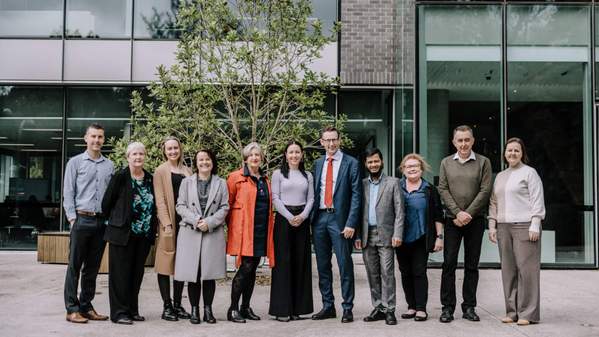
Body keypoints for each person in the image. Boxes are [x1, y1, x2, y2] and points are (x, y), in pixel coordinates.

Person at [438, 125, 492, 323]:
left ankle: (469, 307)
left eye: (467, 140)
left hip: (475, 220)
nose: (463, 144)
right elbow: (442, 189)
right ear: (454, 142)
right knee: (449, 264)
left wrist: (468, 213)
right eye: (459, 140)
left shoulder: (483, 162)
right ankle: (447, 307)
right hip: (453, 221)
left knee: (471, 265)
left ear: (473, 140)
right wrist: (458, 213)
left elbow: (485, 190)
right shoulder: (445, 163)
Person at [488, 138, 545, 326]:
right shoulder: (501, 176)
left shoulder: (530, 173)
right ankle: (511, 311)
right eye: (509, 150)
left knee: (527, 271)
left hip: (525, 226)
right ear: (505, 153)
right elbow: (493, 202)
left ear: (522, 153)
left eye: (516, 150)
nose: (512, 153)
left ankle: (527, 313)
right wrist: (492, 225)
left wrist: (535, 223)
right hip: (504, 227)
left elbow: (537, 199)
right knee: (508, 271)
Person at [63, 123, 114, 323]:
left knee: (92, 268)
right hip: (81, 219)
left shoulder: (109, 166)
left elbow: (110, 196)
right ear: (86, 138)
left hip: (101, 222)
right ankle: (71, 308)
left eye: (100, 137)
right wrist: (72, 218)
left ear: (103, 139)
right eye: (93, 136)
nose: (97, 140)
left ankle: (86, 306)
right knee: (74, 266)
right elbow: (68, 192)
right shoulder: (75, 163)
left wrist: (108, 220)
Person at [311, 126, 362, 323]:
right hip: (320, 220)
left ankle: (347, 307)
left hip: (340, 221)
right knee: (323, 266)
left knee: (344, 265)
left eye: (334, 140)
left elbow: (357, 195)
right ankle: (328, 306)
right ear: (321, 142)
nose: (331, 144)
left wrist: (351, 223)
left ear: (339, 140)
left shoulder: (352, 163)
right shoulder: (317, 164)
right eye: (327, 140)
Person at [102, 142, 157, 325]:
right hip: (122, 234)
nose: (138, 157)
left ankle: (132, 310)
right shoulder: (120, 177)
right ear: (128, 157)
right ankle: (119, 313)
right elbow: (106, 204)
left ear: (145, 156)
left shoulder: (150, 178)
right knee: (120, 275)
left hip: (143, 235)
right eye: (134, 154)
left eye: (141, 154)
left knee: (136, 274)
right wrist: (118, 220)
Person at [175, 149, 229, 324]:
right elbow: (180, 206)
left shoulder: (221, 183)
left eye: (207, 159)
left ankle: (208, 310)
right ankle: (194, 310)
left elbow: (225, 207)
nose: (204, 162)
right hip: (191, 231)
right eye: (200, 160)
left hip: (211, 232)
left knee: (208, 274)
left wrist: (210, 222)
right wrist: (197, 219)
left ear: (212, 162)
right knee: (193, 273)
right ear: (196, 163)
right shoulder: (186, 182)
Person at [226, 142, 275, 323]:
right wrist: (233, 229)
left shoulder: (265, 180)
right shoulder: (235, 177)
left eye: (258, 155)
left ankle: (245, 307)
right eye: (251, 155)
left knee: (253, 269)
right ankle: (233, 309)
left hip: (261, 230)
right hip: (244, 231)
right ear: (245, 158)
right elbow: (228, 206)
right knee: (245, 268)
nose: (255, 157)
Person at [354, 148, 403, 325]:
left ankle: (390, 309)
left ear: (381, 162)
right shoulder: (361, 184)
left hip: (387, 236)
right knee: (372, 273)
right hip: (367, 235)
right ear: (366, 164)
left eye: (376, 161)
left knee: (387, 273)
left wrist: (398, 234)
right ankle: (379, 307)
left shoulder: (393, 183)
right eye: (370, 162)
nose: (373, 165)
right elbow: (358, 212)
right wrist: (358, 235)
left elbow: (399, 211)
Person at [269, 141, 314, 322]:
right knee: (283, 264)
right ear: (285, 155)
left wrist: (302, 216)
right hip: (283, 219)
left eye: (297, 152)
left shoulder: (308, 175)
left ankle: (297, 309)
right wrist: (289, 216)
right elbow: (275, 198)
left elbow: (311, 199)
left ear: (302, 154)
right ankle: (282, 309)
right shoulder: (278, 174)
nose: (294, 155)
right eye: (291, 152)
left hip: (302, 220)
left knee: (300, 263)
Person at [396, 153, 444, 322]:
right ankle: (411, 306)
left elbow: (438, 214)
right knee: (405, 272)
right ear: (403, 169)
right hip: (400, 238)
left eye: (415, 166)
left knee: (419, 272)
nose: (412, 169)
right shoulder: (397, 187)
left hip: (421, 237)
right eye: (408, 166)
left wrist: (439, 237)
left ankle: (421, 309)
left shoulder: (429, 189)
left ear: (421, 169)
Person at [153, 136, 193, 321]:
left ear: (180, 148)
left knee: (181, 264)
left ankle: (178, 304)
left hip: (185, 223)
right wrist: (166, 223)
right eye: (169, 149)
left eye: (175, 148)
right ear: (164, 151)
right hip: (168, 222)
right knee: (164, 264)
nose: (173, 151)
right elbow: (160, 199)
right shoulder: (160, 171)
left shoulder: (188, 171)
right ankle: (166, 306)